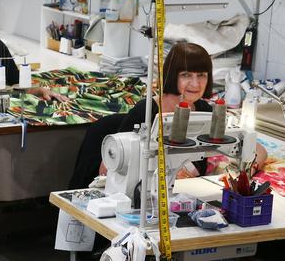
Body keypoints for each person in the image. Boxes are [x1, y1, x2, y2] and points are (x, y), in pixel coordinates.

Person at [69, 42, 267, 189]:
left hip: (184, 195)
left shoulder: (205, 112)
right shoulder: (146, 111)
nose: (196, 84)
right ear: (172, 75)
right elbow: (108, 166)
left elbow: (254, 146)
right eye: (186, 75)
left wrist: (247, 169)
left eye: (201, 76)